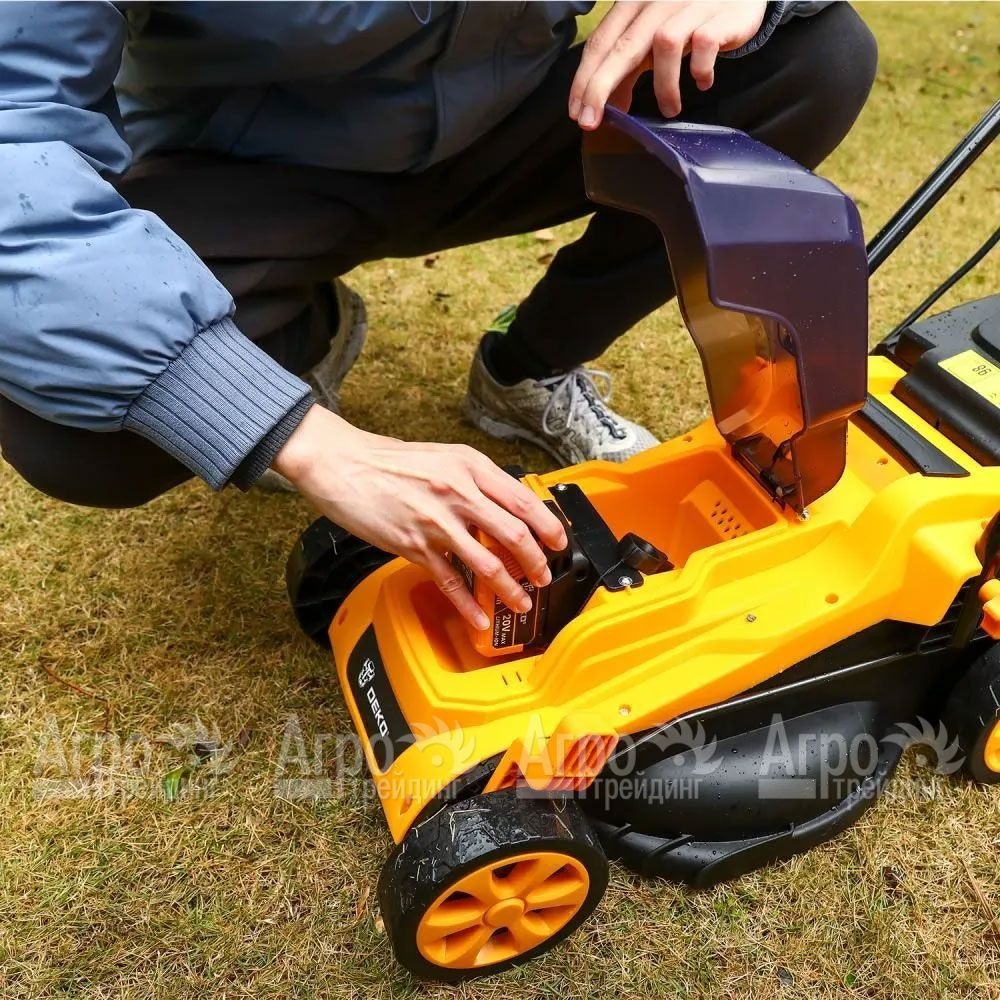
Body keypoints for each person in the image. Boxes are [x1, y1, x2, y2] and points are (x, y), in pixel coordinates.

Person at [0, 1, 876, 629]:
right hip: (245, 172)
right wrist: (291, 434)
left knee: (813, 55)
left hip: (518, 123)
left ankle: (526, 365)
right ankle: (292, 331)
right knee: (80, 433)